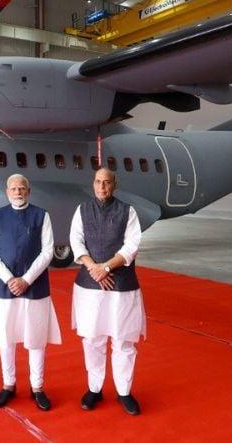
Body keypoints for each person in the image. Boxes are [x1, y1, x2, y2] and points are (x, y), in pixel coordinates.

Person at [70, 167, 146, 416]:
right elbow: (76, 241)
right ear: (93, 183)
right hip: (90, 286)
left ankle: (124, 391)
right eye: (98, 182)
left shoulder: (128, 211)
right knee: (93, 339)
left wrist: (106, 267)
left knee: (123, 340)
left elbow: (132, 245)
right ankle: (94, 389)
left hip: (121, 286)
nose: (102, 187)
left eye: (107, 183)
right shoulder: (82, 210)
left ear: (115, 184)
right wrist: (94, 268)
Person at [0, 174, 60, 411]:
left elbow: (48, 251)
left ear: (29, 191)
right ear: (7, 192)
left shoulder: (41, 215)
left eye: (22, 189)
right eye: (14, 189)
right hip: (4, 286)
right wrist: (9, 279)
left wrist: (26, 280)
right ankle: (8, 384)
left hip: (34, 285)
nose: (18, 192)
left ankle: (37, 387)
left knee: (35, 338)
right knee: (6, 337)